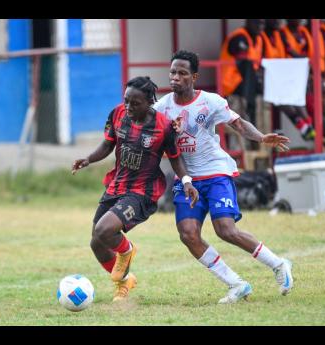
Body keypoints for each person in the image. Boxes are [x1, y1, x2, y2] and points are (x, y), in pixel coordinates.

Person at [153, 50, 294, 304]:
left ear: (194, 77)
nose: (175, 77)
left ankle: (278, 264)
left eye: (182, 73)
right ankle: (236, 284)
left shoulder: (211, 101)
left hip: (216, 172)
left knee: (226, 230)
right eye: (173, 72)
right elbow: (149, 135)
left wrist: (261, 137)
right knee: (188, 234)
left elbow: (238, 124)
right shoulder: (161, 108)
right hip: (186, 178)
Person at [71, 76, 199, 302]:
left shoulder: (163, 126)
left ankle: (127, 250)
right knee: (96, 242)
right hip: (117, 185)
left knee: (104, 230)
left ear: (150, 102)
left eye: (135, 103)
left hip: (142, 192)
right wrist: (88, 159)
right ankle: (124, 283)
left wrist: (187, 181)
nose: (129, 107)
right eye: (126, 100)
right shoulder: (118, 114)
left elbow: (176, 159)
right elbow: (108, 144)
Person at [219, 19, 265, 126]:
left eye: (262, 23)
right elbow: (245, 66)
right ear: (248, 21)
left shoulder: (258, 39)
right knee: (247, 65)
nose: (260, 26)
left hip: (245, 83)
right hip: (230, 83)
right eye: (257, 22)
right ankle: (248, 106)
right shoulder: (239, 37)